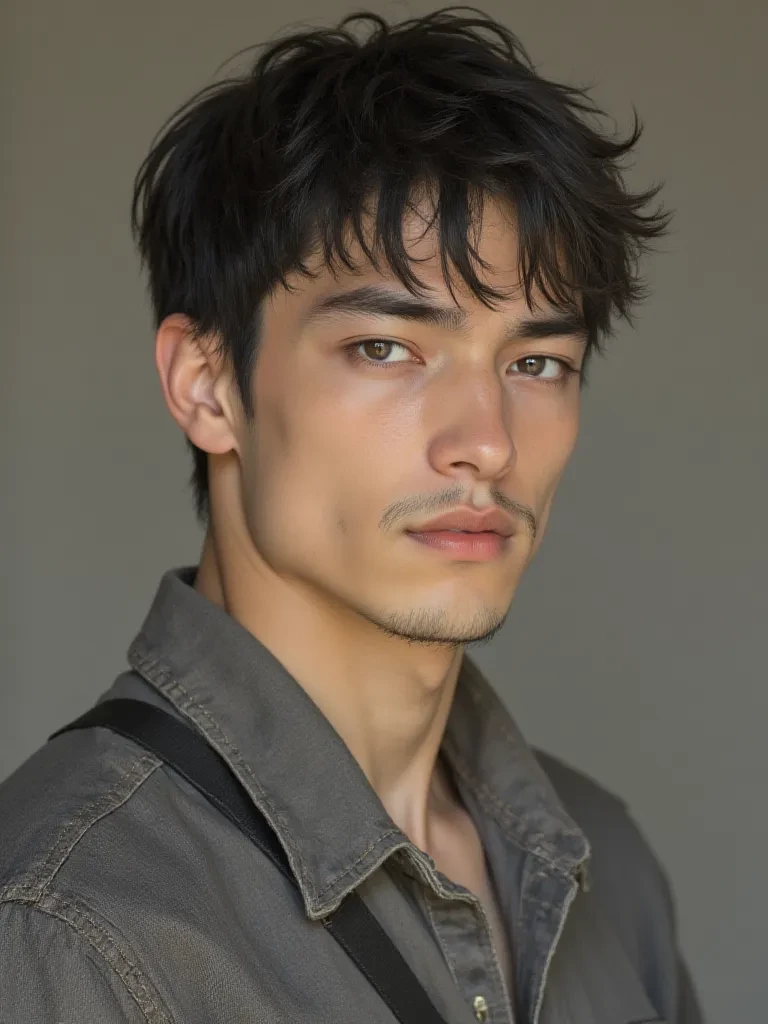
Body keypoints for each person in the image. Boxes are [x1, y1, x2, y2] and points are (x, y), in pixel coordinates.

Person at [0, 8, 703, 1023]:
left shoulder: (604, 865)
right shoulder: (67, 926)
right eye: (386, 349)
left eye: (538, 362)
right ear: (206, 385)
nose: (487, 442)